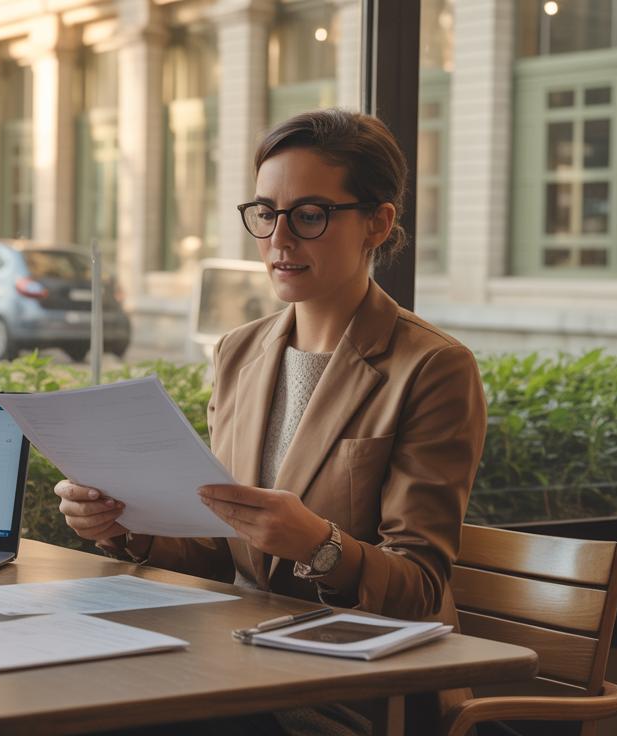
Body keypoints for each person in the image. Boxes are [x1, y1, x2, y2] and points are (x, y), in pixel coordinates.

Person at [55, 109, 487, 734]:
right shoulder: (240, 351)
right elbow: (215, 553)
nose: (279, 240)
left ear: (378, 222)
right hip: (233, 663)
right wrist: (127, 527)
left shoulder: (432, 367)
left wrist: (320, 545)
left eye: (310, 215)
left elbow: (420, 589)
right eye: (265, 213)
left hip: (353, 691)